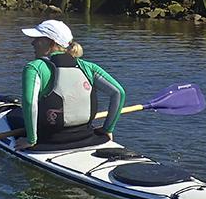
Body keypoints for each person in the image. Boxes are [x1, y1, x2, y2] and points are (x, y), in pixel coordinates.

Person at [15, 19, 125, 150]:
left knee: (13, 116)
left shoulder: (34, 67)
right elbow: (118, 93)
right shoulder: (88, 67)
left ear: (51, 43)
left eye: (38, 39)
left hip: (49, 141)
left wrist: (31, 140)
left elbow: (29, 103)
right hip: (88, 137)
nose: (33, 43)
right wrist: (107, 129)